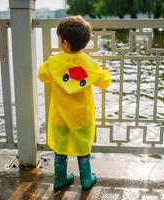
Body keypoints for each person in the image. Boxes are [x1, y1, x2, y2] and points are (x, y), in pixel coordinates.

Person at [38, 16, 112, 191]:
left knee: (60, 150)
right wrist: (102, 73)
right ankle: (86, 180)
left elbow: (42, 75)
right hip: (82, 117)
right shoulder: (89, 64)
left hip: (59, 117)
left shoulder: (54, 63)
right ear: (84, 43)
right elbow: (105, 81)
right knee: (83, 148)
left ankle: (59, 180)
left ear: (64, 43)